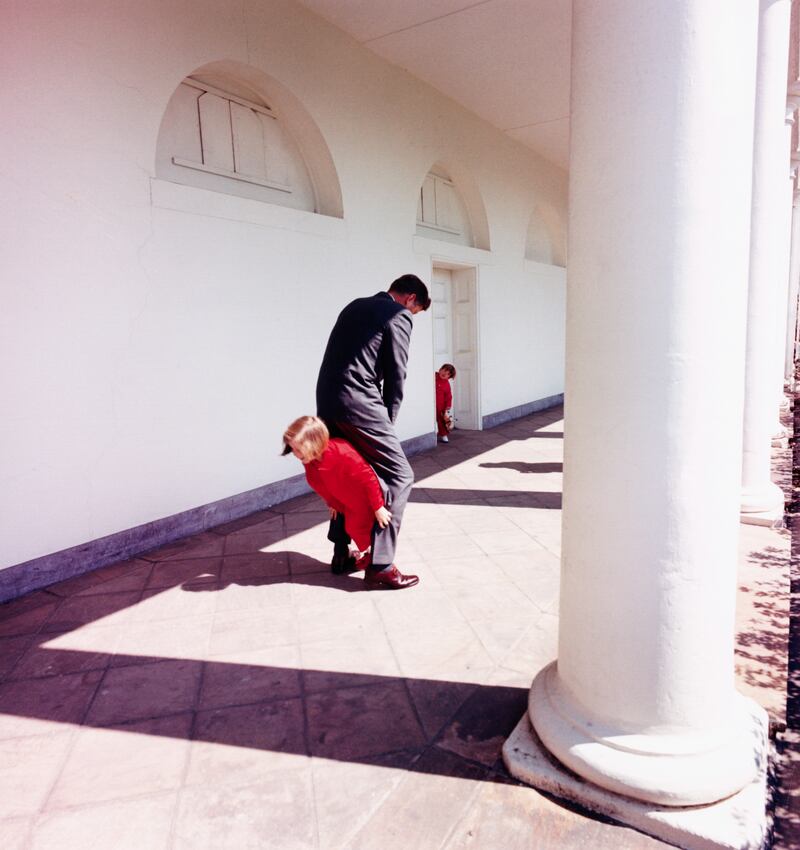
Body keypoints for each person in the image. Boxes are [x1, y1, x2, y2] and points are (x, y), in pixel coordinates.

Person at [316, 273, 430, 590]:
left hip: (327, 402)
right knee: (400, 475)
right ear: (410, 300)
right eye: (416, 311)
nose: (412, 315)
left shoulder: (354, 306)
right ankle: (381, 564)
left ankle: (341, 554)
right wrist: (386, 427)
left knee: (343, 471)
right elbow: (396, 379)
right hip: (360, 404)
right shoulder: (399, 315)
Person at [282, 416, 413, 587]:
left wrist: (378, 506)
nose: (295, 454)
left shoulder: (342, 452)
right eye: (293, 449)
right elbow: (321, 485)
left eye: (298, 449)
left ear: (314, 444)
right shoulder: (310, 460)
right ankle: (361, 555)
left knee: (370, 528)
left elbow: (368, 478)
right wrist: (332, 503)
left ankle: (378, 564)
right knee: (352, 527)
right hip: (347, 502)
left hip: (364, 501)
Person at [435, 364, 456, 443]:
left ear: (449, 377)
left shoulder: (446, 384)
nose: (444, 374)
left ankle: (443, 434)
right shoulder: (434, 376)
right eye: (444, 371)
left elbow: (448, 396)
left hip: (441, 405)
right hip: (431, 403)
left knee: (441, 420)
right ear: (440, 369)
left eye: (447, 374)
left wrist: (447, 406)